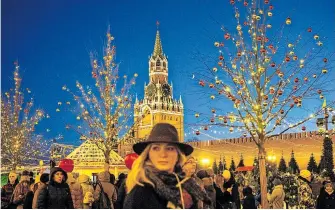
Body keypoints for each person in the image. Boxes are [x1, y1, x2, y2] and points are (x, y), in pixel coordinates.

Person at [124, 123, 211, 209]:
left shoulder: (188, 187)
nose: (163, 154)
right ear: (148, 154)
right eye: (156, 148)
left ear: (178, 154)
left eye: (169, 148)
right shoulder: (140, 193)